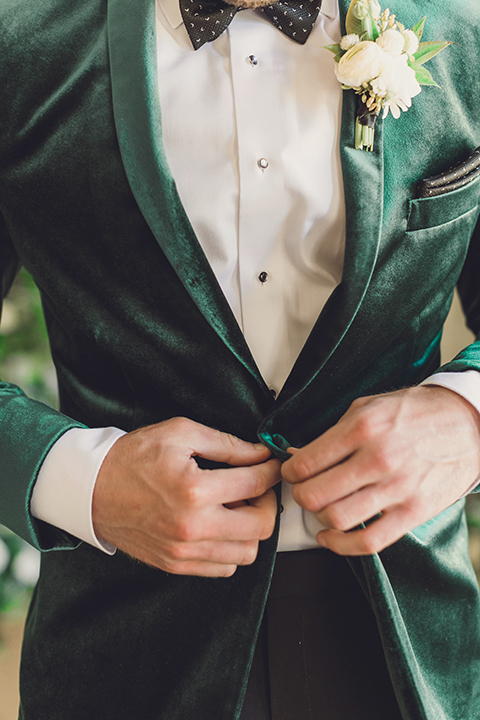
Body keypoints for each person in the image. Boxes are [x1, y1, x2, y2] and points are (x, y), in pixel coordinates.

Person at [1, 0, 480, 717]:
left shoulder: (462, 29)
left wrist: (467, 420)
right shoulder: (21, 42)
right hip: (126, 662)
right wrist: (83, 480)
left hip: (414, 655)